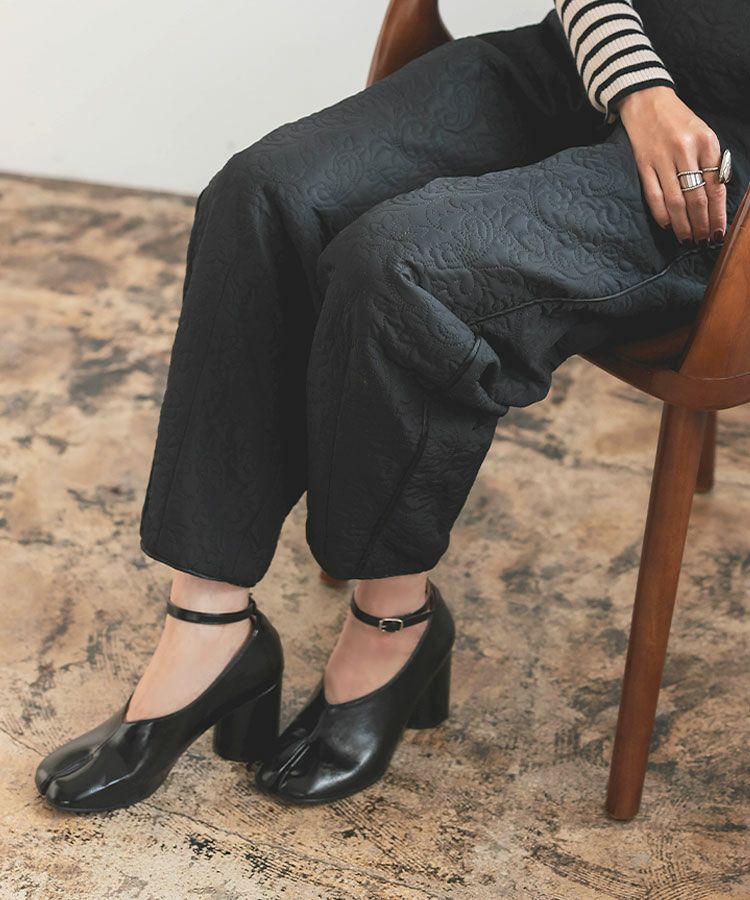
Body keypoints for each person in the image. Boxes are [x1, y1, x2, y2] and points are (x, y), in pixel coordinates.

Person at [35, 0, 748, 812]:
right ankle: (208, 625)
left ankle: (396, 624)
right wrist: (636, 89)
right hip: (595, 62)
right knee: (261, 193)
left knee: (401, 268)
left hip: (720, 165)